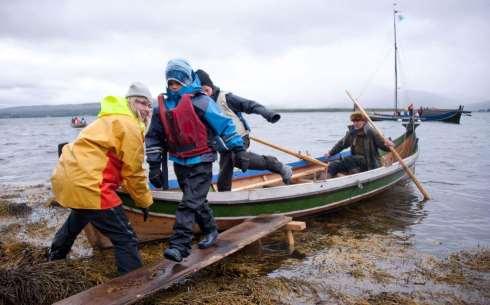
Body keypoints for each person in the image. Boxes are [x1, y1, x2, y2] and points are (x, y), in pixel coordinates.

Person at [48, 82, 154, 274]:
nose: (146, 109)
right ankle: (132, 287)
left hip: (67, 178)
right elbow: (134, 172)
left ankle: (53, 259)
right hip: (91, 184)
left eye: (149, 105)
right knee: (126, 238)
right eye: (142, 103)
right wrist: (144, 201)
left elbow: (104, 158)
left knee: (79, 216)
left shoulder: (106, 119)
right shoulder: (129, 125)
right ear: (131, 103)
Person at [145, 59, 245, 262]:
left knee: (188, 203)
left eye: (178, 82)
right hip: (180, 162)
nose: (174, 86)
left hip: (202, 160)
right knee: (197, 201)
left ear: (188, 80)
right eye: (171, 83)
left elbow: (224, 125)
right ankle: (211, 230)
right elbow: (153, 136)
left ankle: (179, 245)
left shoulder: (201, 101)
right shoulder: (161, 108)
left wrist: (238, 149)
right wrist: (154, 166)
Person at [195, 69, 292, 191]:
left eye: (206, 90)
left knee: (235, 159)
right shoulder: (199, 103)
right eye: (201, 92)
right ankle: (224, 195)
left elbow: (250, 105)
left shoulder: (225, 98)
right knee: (225, 167)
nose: (205, 94)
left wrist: (269, 114)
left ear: (211, 87)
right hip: (222, 144)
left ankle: (277, 166)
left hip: (239, 138)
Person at [324, 111, 394, 178]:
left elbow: (385, 147)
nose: (356, 123)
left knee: (349, 159)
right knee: (333, 165)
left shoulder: (371, 132)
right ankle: (324, 183)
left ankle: (355, 177)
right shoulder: (351, 133)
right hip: (355, 162)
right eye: (354, 121)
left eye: (358, 121)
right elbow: (341, 144)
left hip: (369, 162)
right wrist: (330, 153)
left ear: (363, 121)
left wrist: (389, 144)